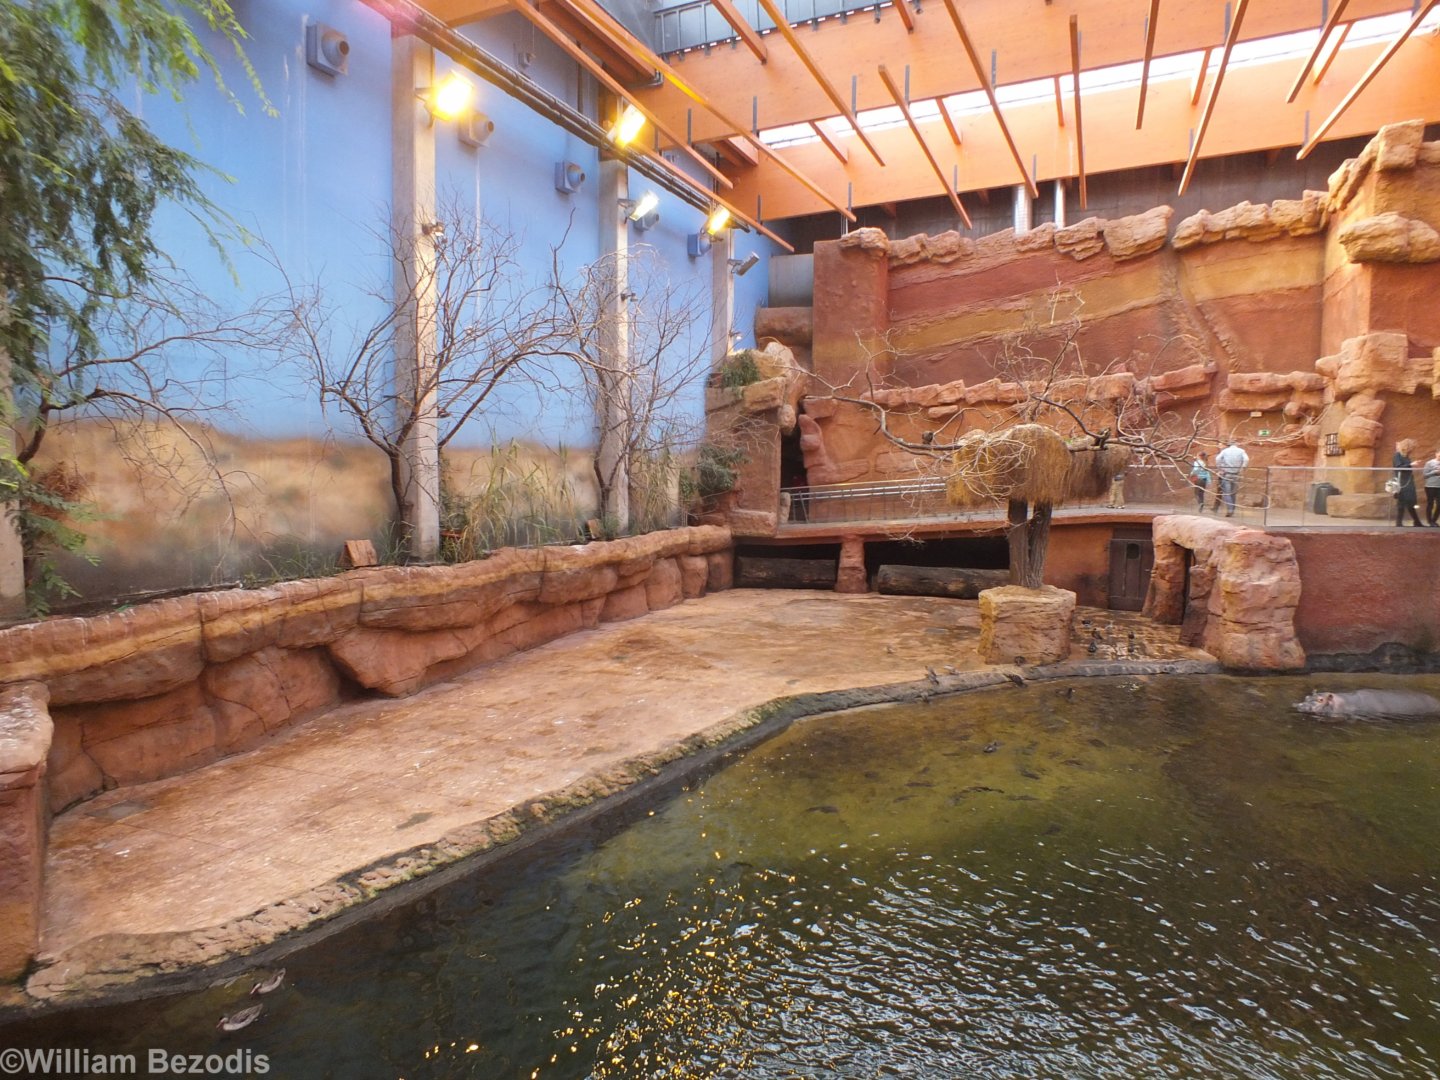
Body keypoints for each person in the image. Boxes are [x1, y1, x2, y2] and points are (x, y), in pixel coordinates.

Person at [1392, 438, 1424, 527]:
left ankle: (1416, 522)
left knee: (1410, 502)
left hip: (1408, 482)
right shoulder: (1397, 455)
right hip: (1402, 482)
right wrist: (1411, 464)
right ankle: (1399, 523)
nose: (1412, 450)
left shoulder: (1405, 456)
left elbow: (1406, 467)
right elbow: (1398, 467)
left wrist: (1413, 465)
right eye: (1411, 447)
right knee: (1402, 502)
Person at [1213, 437, 1248, 516]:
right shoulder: (1241, 451)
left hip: (1226, 473)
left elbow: (1217, 459)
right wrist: (1242, 468)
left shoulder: (1225, 451)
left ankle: (1230, 509)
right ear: (1236, 444)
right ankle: (1233, 509)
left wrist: (1220, 468)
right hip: (1236, 473)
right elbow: (1246, 459)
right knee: (1233, 493)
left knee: (1226, 493)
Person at [1425, 447, 1440, 527]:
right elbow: (1425, 475)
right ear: (1436, 454)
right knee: (1430, 503)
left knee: (1439, 505)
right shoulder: (1429, 463)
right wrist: (1435, 472)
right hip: (1430, 486)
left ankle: (1434, 520)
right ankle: (1430, 521)